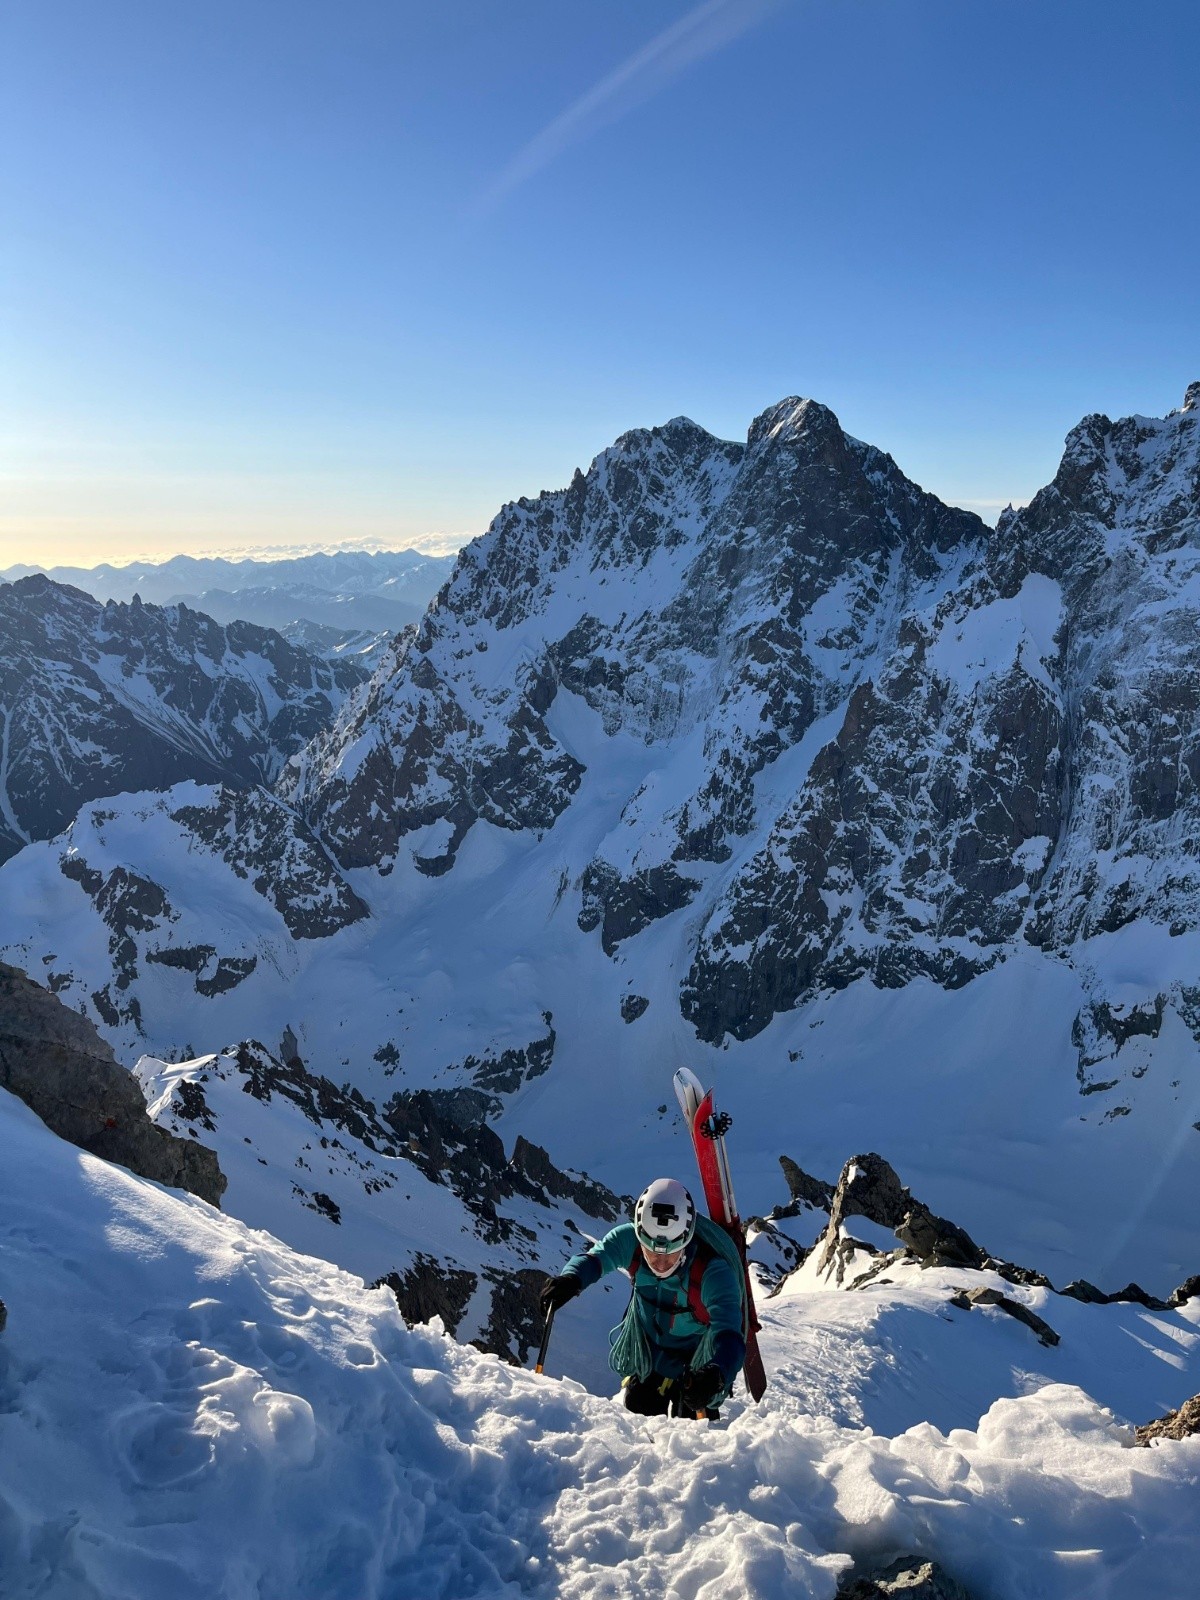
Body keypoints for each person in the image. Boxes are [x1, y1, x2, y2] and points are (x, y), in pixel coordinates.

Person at [539, 1176, 746, 1416]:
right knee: (638, 1422)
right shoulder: (632, 1241)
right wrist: (570, 1279)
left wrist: (716, 1374)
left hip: (698, 1368)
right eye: (651, 1252)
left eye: (670, 1255)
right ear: (640, 1235)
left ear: (686, 1240)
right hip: (650, 1360)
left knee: (694, 1442)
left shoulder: (714, 1273)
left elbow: (730, 1334)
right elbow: (599, 1257)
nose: (659, 1263)